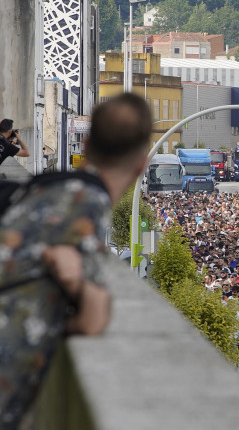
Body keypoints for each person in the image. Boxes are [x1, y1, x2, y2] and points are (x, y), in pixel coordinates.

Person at [0, 93, 152, 426]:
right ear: (141, 165)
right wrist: (78, 284)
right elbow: (92, 320)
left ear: (89, 145)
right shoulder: (88, 201)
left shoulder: (44, 190)